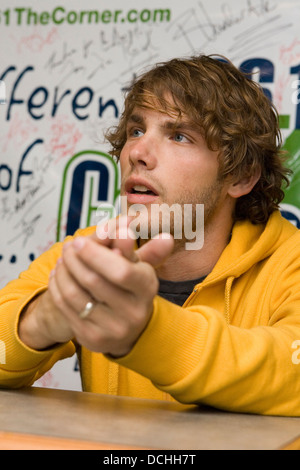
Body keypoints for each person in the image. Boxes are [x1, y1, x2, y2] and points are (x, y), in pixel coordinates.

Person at [0, 54, 299, 417]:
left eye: (179, 136)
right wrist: (42, 319)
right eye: (136, 131)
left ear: (240, 177)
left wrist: (145, 331)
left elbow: (288, 371)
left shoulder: (290, 261)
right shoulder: (94, 251)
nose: (137, 153)